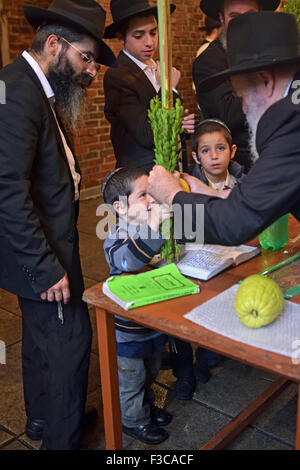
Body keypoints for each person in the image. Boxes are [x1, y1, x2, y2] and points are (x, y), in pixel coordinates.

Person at [0, 0, 116, 450]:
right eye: (86, 57)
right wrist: (46, 268)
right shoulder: (16, 91)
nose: (90, 71)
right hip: (42, 253)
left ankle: (44, 419)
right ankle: (61, 439)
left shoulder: (30, 85)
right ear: (54, 44)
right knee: (70, 340)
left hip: (48, 244)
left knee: (42, 337)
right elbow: (7, 190)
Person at [147, 12, 300, 246]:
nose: (245, 109)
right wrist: (203, 192)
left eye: (243, 97)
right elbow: (255, 201)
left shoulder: (291, 122)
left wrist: (171, 195)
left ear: (266, 81)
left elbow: (237, 221)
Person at [102, 167, 173, 445]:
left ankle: (146, 405)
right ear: (120, 207)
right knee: (131, 377)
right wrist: (155, 228)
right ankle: (134, 420)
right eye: (144, 195)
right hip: (128, 329)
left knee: (151, 370)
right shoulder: (116, 238)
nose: (152, 200)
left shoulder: (151, 228)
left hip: (152, 323)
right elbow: (130, 262)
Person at [103, 0, 196, 173]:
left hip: (175, 167)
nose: (150, 42)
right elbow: (147, 135)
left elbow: (170, 125)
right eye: (139, 36)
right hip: (143, 176)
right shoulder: (117, 76)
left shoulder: (158, 67)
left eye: (153, 33)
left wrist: (183, 126)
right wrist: (169, 90)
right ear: (121, 37)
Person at [192, 0, 280, 173]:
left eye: (250, 16)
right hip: (239, 168)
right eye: (234, 17)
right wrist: (273, 87)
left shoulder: (275, 54)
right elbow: (227, 114)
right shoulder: (209, 61)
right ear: (222, 19)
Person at [191, 118, 244, 190]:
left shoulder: (247, 183)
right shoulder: (188, 189)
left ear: (232, 151)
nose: (214, 156)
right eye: (205, 151)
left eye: (221, 148)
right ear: (196, 157)